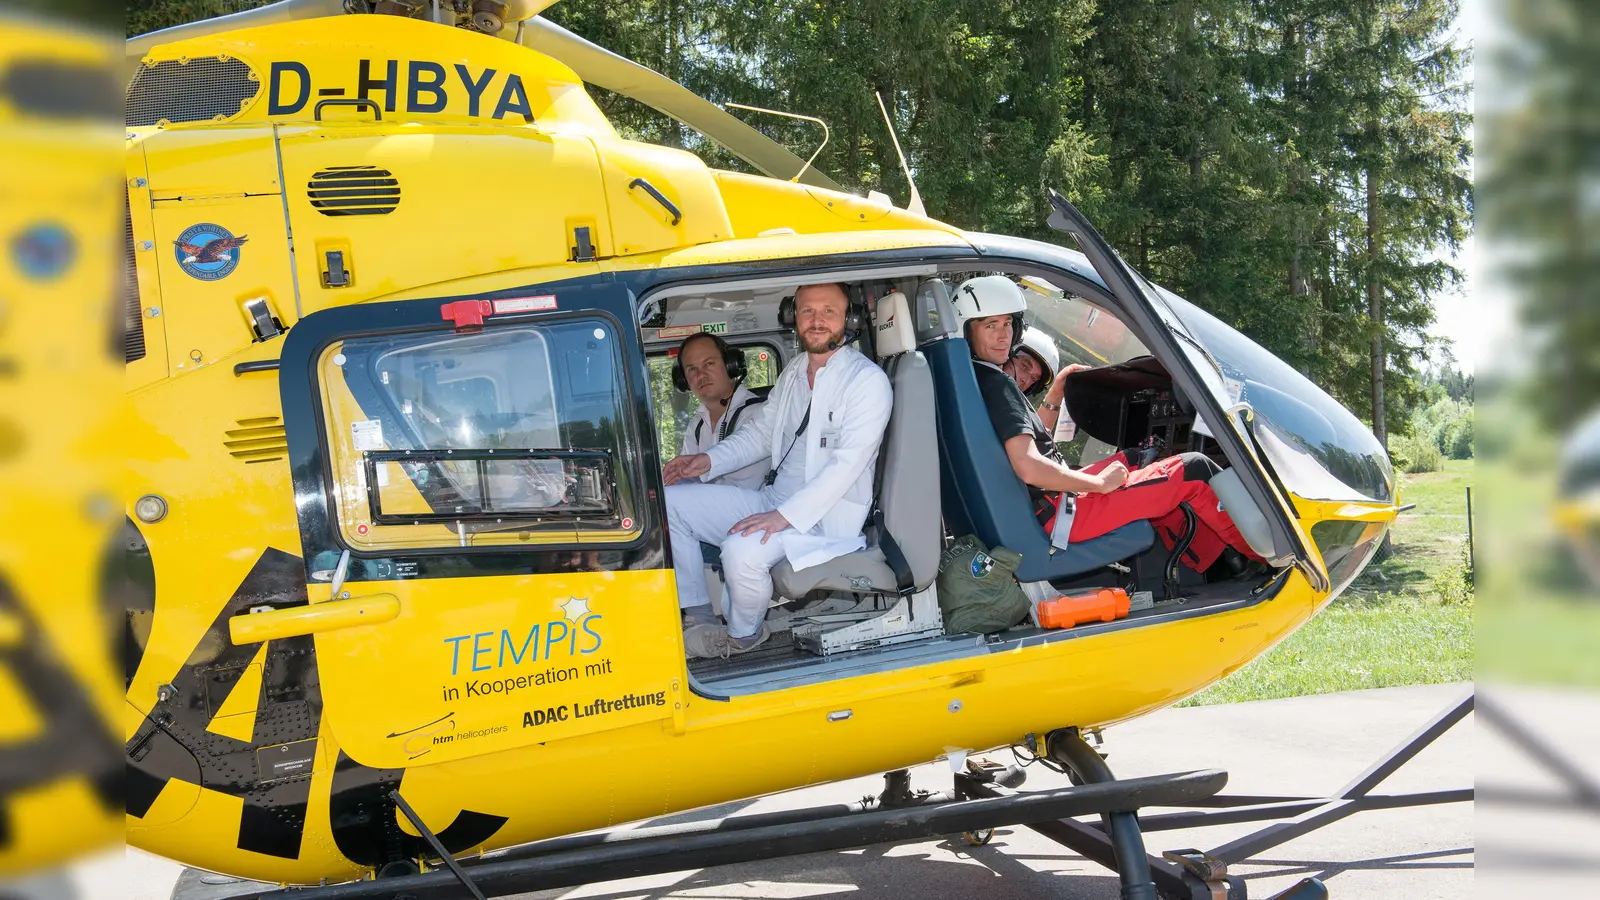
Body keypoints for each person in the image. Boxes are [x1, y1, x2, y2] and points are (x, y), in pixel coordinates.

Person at [953, 275, 1258, 573]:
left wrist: (1057, 392)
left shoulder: (972, 379)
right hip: (1059, 513)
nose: (1003, 335)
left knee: (1137, 458)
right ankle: (1259, 555)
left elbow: (1031, 449)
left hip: (1043, 505)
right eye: (990, 325)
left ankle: (1203, 559)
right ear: (967, 330)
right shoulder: (998, 385)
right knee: (1194, 470)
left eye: (1007, 323)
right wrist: (1099, 484)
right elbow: (1029, 467)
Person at [662, 283, 893, 659]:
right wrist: (707, 461)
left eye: (828, 312)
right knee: (671, 502)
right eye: (807, 312)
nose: (816, 321)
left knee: (740, 551)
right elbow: (759, 434)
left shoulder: (866, 382)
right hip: (774, 501)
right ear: (793, 317)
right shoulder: (794, 372)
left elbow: (846, 465)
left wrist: (784, 516)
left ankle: (742, 636)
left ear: (847, 318)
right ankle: (700, 616)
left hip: (822, 520)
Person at [673, 332, 768, 490]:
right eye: (691, 369)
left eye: (709, 364)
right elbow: (688, 481)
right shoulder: (697, 425)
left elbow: (743, 489)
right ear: (684, 381)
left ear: (730, 365)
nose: (701, 375)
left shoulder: (757, 414)